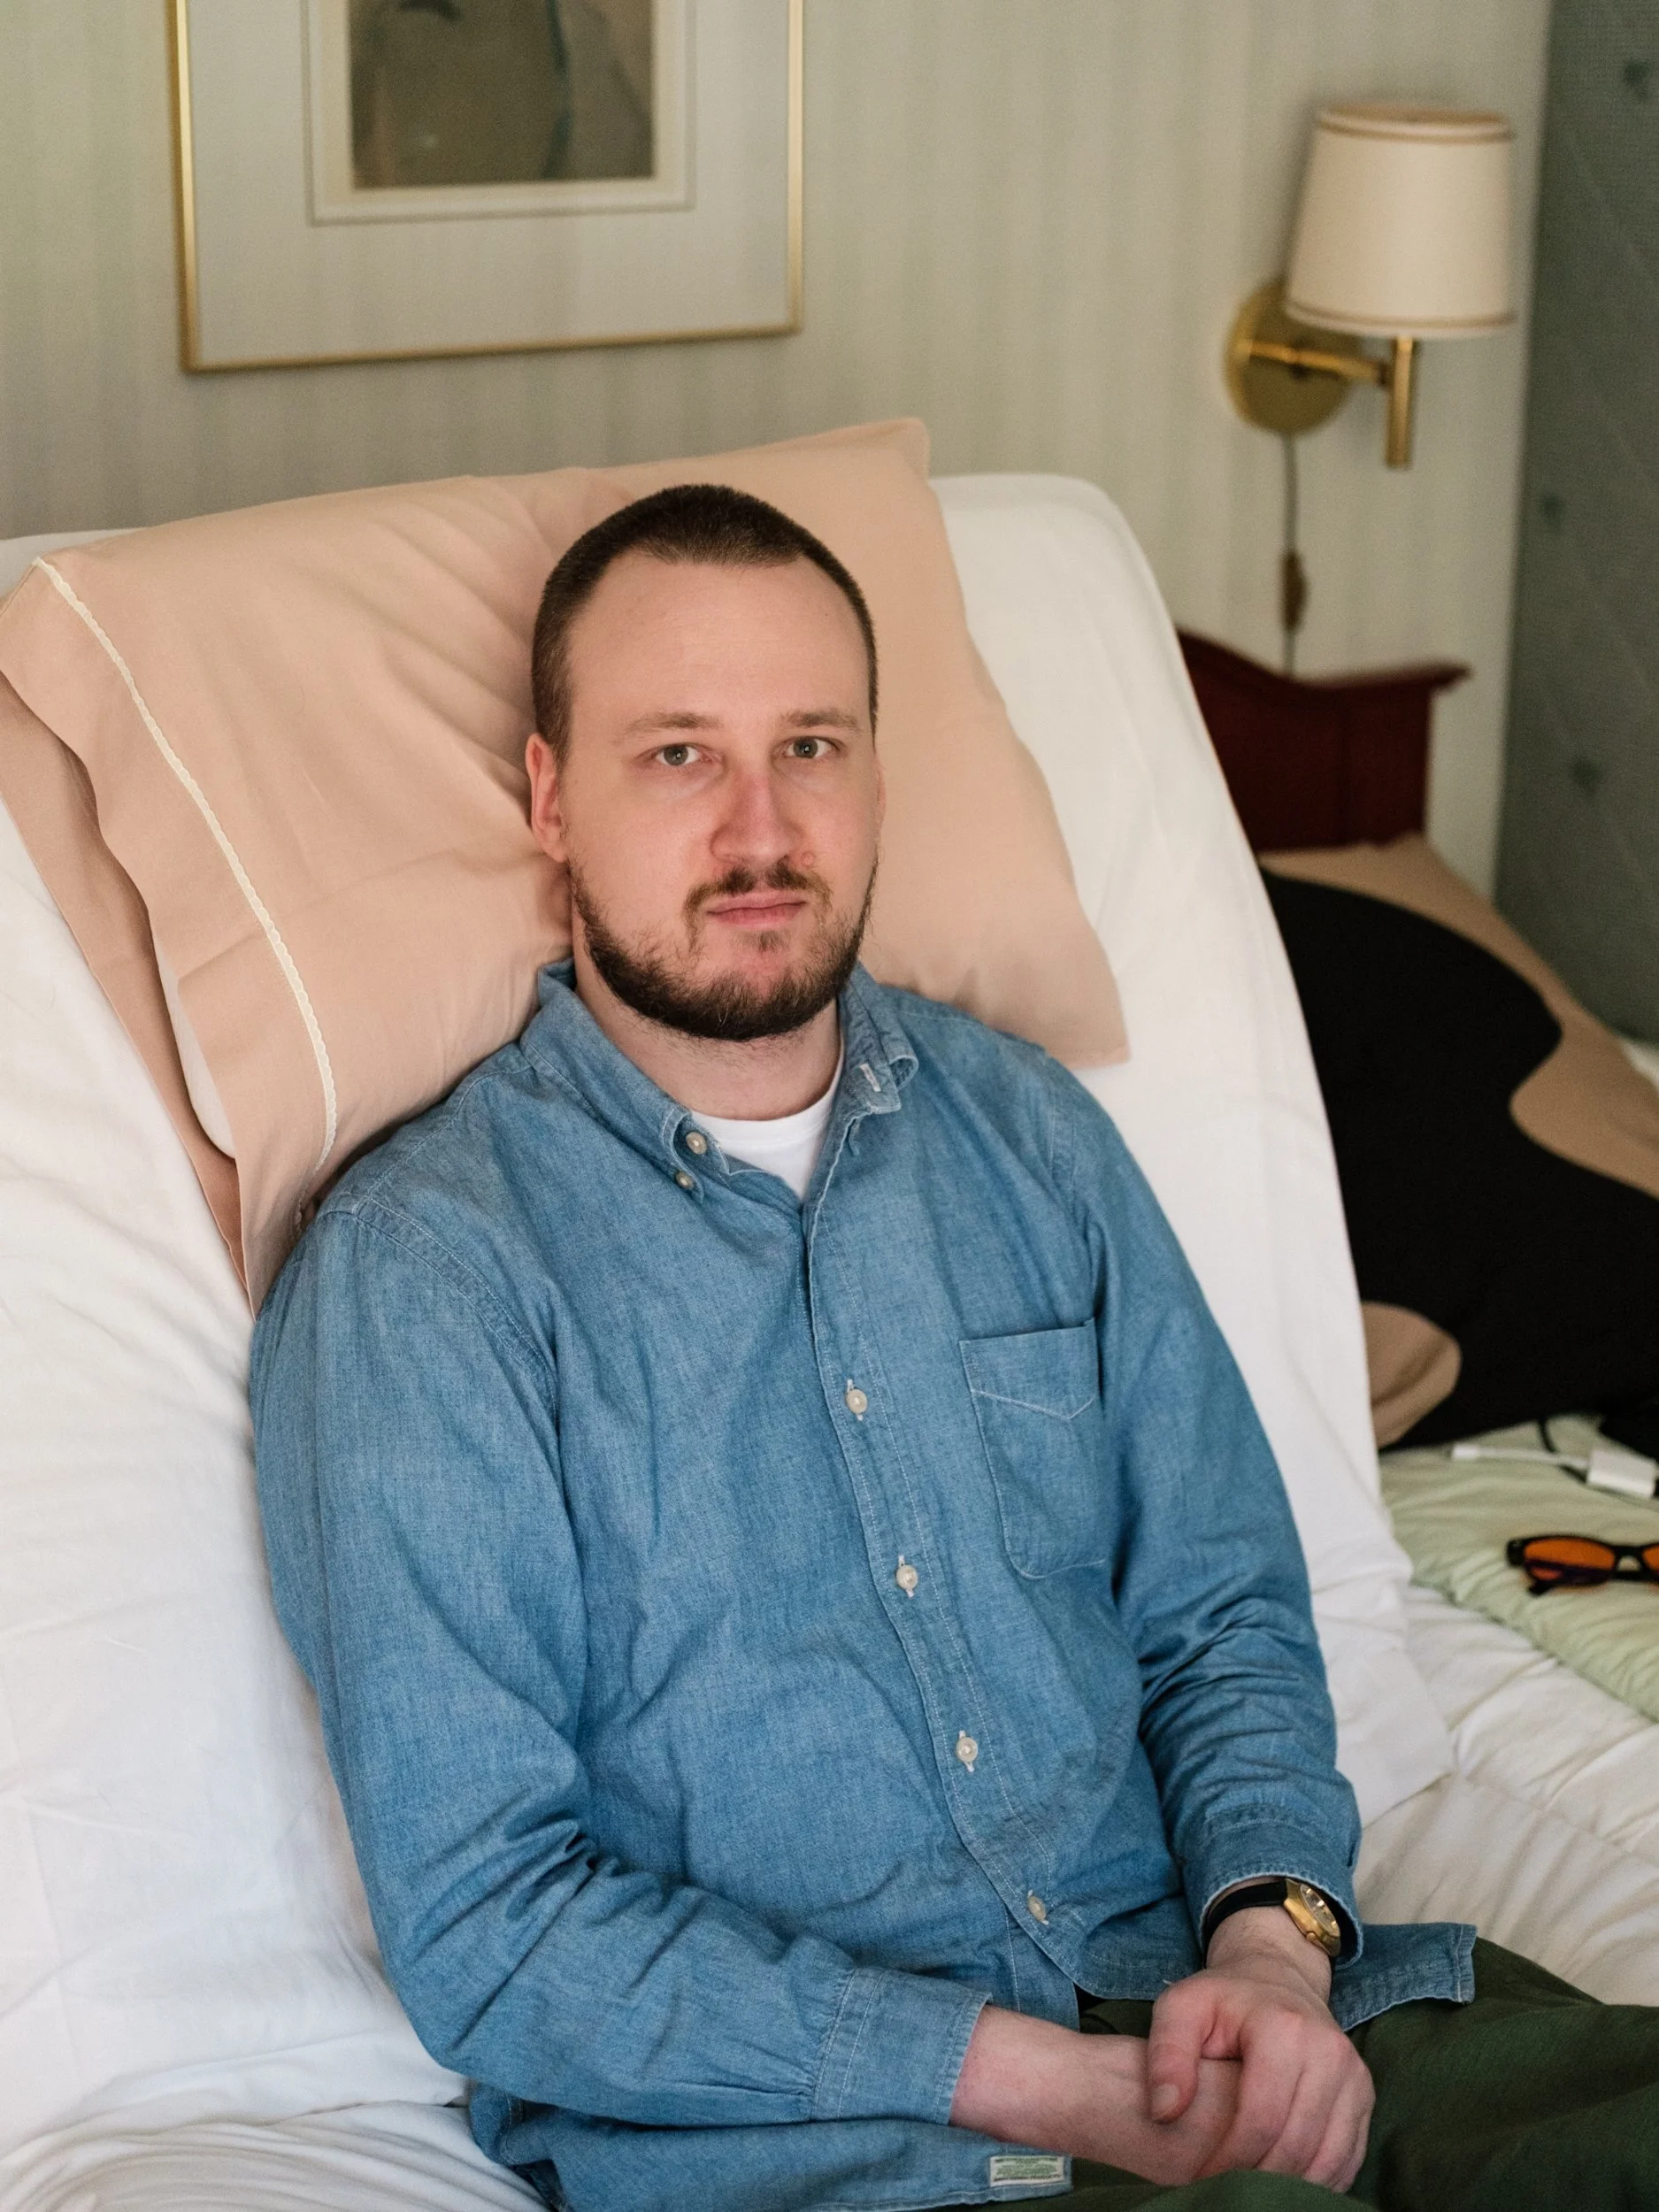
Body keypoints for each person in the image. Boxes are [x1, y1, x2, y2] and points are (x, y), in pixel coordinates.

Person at [252, 485, 1659, 2212]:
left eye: (811, 745)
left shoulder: (1025, 1129)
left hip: (1259, 2008)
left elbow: (1219, 1606)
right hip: (860, 2145)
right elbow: (489, 1922)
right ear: (551, 797)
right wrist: (1052, 2082)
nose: (760, 825)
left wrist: (1275, 1944)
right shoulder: (427, 1274)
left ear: (876, 778)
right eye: (677, 754)